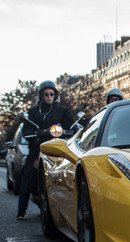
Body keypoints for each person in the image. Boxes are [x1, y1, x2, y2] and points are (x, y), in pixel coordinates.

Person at [17, 80, 75, 220]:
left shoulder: (62, 111)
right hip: (38, 149)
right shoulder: (33, 112)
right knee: (28, 176)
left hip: (57, 149)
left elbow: (72, 127)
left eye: (51, 94)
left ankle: (67, 210)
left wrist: (72, 129)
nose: (49, 97)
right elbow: (27, 131)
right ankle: (21, 209)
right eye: (46, 94)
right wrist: (40, 133)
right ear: (41, 96)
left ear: (55, 96)